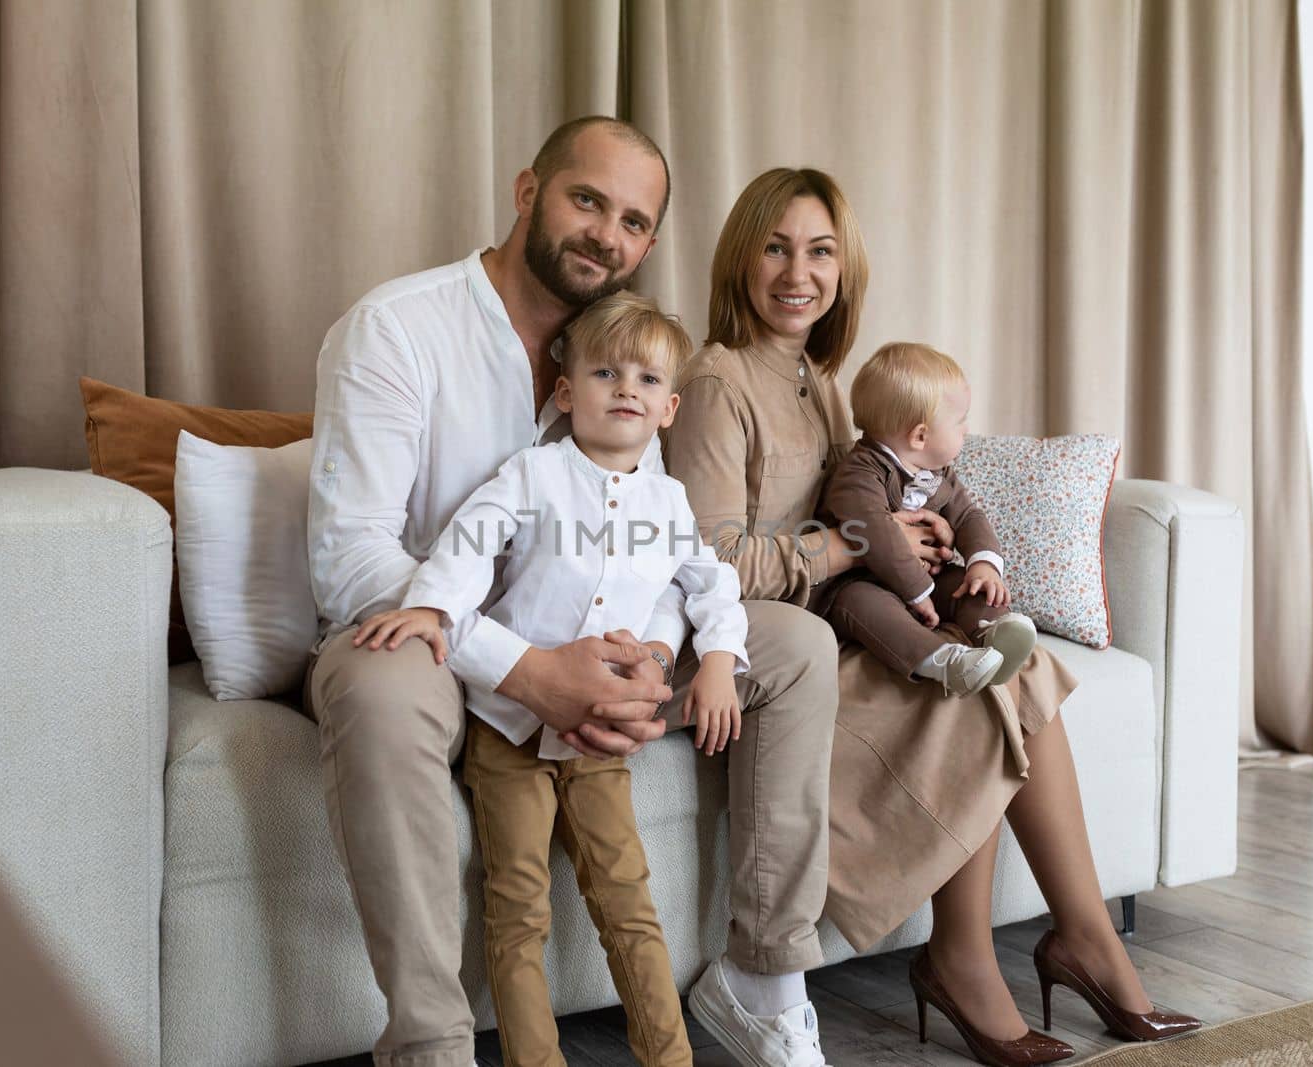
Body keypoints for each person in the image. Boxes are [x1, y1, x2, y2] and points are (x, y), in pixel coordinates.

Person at [307, 118, 839, 1067]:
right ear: (528, 192)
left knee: (795, 645)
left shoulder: (632, 356)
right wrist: (529, 671)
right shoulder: (398, 328)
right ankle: (431, 1045)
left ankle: (762, 978)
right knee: (378, 680)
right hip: (443, 640)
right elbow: (351, 559)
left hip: (607, 649)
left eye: (634, 221)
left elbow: (663, 540)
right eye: (586, 199)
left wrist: (657, 656)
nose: (607, 234)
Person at [665, 167, 1200, 1067]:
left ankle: (1084, 934)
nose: (799, 271)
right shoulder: (718, 383)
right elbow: (712, 560)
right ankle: (963, 961)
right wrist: (848, 547)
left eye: (821, 250)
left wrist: (934, 553)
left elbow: (878, 493)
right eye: (776, 246)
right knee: (970, 690)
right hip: (766, 637)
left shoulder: (823, 380)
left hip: (842, 619)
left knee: (1015, 661)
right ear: (739, 258)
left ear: (844, 268)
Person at [351, 292, 744, 1067]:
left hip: (601, 740)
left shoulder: (668, 503)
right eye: (604, 371)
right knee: (515, 907)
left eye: (644, 378)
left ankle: (670, 1057)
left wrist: (722, 662)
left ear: (668, 408)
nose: (624, 387)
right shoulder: (531, 474)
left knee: (629, 901)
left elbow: (713, 586)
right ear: (567, 393)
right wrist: (431, 607)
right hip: (509, 727)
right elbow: (468, 545)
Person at [819, 342, 1039, 695]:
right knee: (863, 604)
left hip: (923, 580)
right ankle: (943, 662)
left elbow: (968, 514)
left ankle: (994, 633)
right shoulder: (858, 474)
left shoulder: (939, 473)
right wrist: (918, 592)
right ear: (920, 435)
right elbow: (878, 533)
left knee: (967, 586)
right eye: (960, 421)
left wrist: (983, 564)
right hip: (858, 582)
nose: (966, 430)